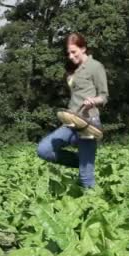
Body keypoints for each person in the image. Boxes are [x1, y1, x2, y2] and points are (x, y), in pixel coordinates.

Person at [37, 32, 109, 189]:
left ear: (83, 48)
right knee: (44, 149)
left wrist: (93, 101)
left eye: (73, 52)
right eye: (68, 52)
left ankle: (86, 171)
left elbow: (104, 96)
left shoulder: (96, 66)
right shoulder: (73, 70)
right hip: (71, 121)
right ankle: (83, 162)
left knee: (85, 179)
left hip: (89, 123)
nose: (70, 56)